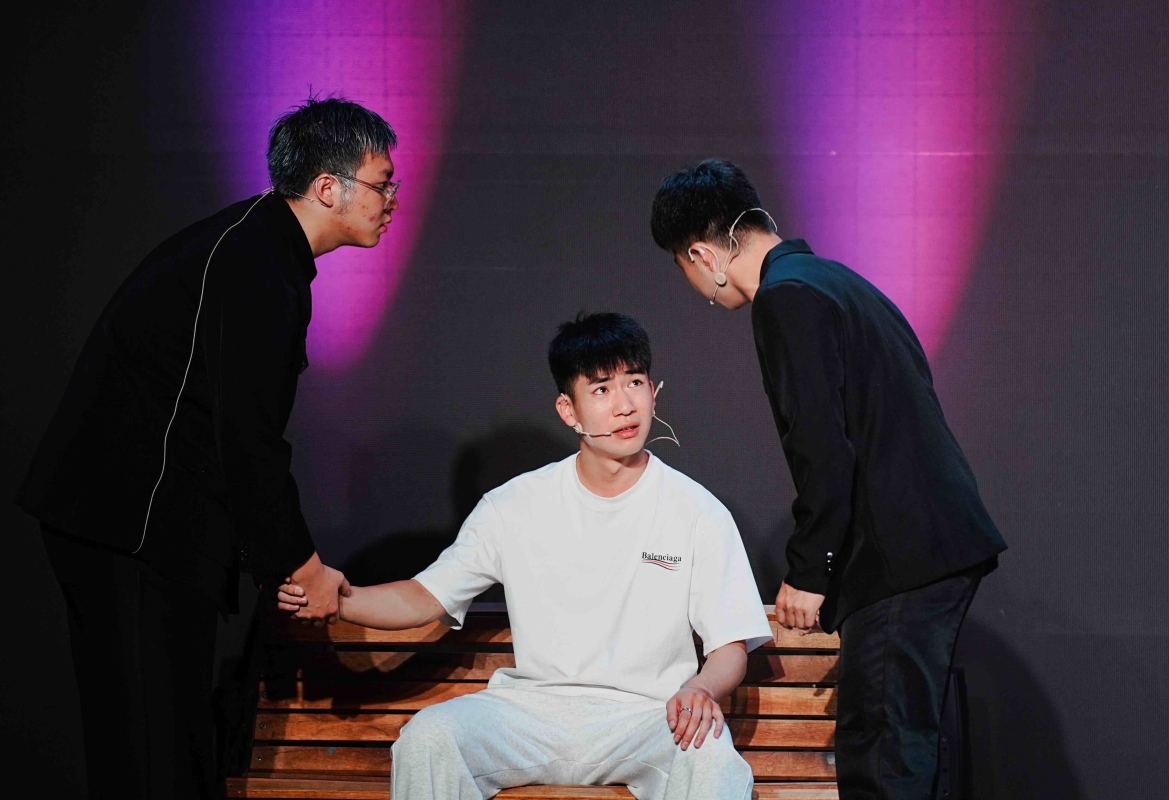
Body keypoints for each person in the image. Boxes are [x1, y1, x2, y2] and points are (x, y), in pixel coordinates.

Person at [16, 97, 400, 799]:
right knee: (152, 757)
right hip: (129, 527)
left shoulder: (259, 246)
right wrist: (301, 566)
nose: (392, 200)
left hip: (131, 526)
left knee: (161, 747)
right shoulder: (257, 265)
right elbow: (245, 439)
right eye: (382, 183)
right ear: (328, 187)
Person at [279, 313, 773, 800]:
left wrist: (701, 689)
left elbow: (729, 644)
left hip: (647, 715)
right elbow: (424, 597)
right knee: (429, 737)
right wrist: (338, 599)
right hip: (530, 712)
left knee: (710, 755)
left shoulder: (697, 510)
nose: (625, 405)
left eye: (635, 382)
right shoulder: (513, 504)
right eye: (601, 389)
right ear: (568, 410)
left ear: (653, 393)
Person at [649, 159, 1008, 800]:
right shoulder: (834, 281)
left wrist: (811, 572)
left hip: (901, 556)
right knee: (899, 749)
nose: (697, 287)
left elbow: (823, 448)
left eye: (684, 269)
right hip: (928, 546)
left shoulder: (785, 298)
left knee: (883, 757)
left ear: (702, 255)